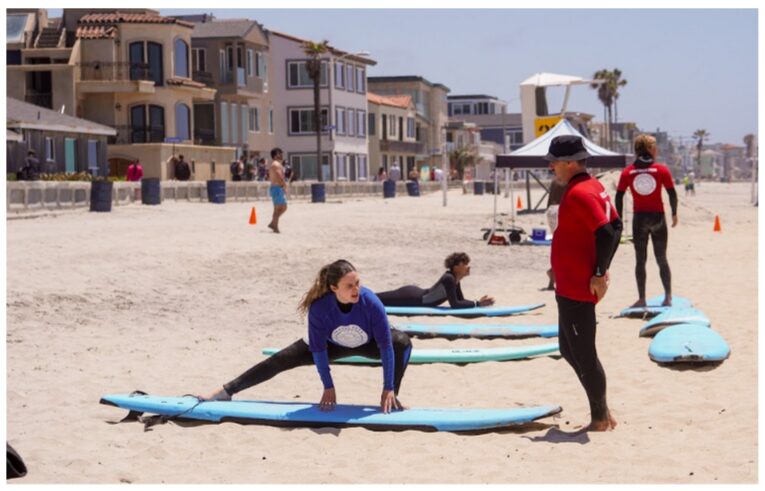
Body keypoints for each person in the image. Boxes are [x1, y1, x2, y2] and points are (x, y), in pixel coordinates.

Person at [203, 260, 412, 413]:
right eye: (349, 286)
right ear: (334, 288)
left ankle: (392, 398)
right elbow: (319, 350)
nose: (356, 289)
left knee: (402, 343)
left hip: (369, 344)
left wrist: (388, 387)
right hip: (332, 346)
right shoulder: (320, 308)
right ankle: (226, 390)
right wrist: (328, 385)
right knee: (280, 359)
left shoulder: (371, 303)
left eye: (358, 283)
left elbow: (385, 347)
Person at [546, 135, 622, 432]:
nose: (551, 166)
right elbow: (616, 225)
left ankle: (600, 419)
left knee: (584, 354)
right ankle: (601, 408)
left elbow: (607, 232)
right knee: (568, 349)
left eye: (554, 161)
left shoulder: (580, 193)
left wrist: (600, 273)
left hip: (578, 288)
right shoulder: (592, 187)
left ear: (570, 162)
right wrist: (602, 270)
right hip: (570, 285)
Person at [615, 134, 678, 309]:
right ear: (649, 149)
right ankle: (668, 297)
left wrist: (618, 218)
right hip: (657, 217)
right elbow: (672, 193)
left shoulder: (628, 172)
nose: (656, 149)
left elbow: (619, 196)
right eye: (654, 146)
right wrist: (674, 213)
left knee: (640, 260)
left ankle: (642, 299)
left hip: (639, 219)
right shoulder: (661, 170)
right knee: (661, 258)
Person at [376, 252, 495, 308]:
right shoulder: (449, 279)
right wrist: (477, 304)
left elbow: (460, 300)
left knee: (377, 299)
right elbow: (455, 304)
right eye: (465, 264)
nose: (469, 267)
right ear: (456, 267)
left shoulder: (454, 278)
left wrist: (477, 303)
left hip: (415, 293)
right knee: (377, 299)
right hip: (411, 297)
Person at [544, 177, 567, 290]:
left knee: (557, 246)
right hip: (561, 210)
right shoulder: (569, 179)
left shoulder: (554, 180)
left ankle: (552, 277)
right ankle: (553, 274)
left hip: (551, 210)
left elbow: (549, 200)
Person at [268, 147, 288, 233]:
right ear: (276, 155)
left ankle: (273, 224)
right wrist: (284, 185)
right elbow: (279, 175)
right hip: (277, 188)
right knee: (282, 207)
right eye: (280, 153)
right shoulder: (276, 164)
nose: (282, 155)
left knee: (279, 208)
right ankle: (274, 225)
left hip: (276, 188)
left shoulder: (275, 164)